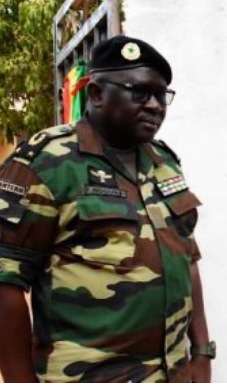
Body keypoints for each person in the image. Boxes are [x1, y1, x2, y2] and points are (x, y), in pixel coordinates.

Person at [0, 36, 214, 382]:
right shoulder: (45, 164)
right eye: (140, 92)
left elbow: (186, 257)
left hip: (173, 374)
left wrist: (201, 352)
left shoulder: (164, 163)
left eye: (161, 95)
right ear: (97, 93)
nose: (155, 105)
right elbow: (6, 281)